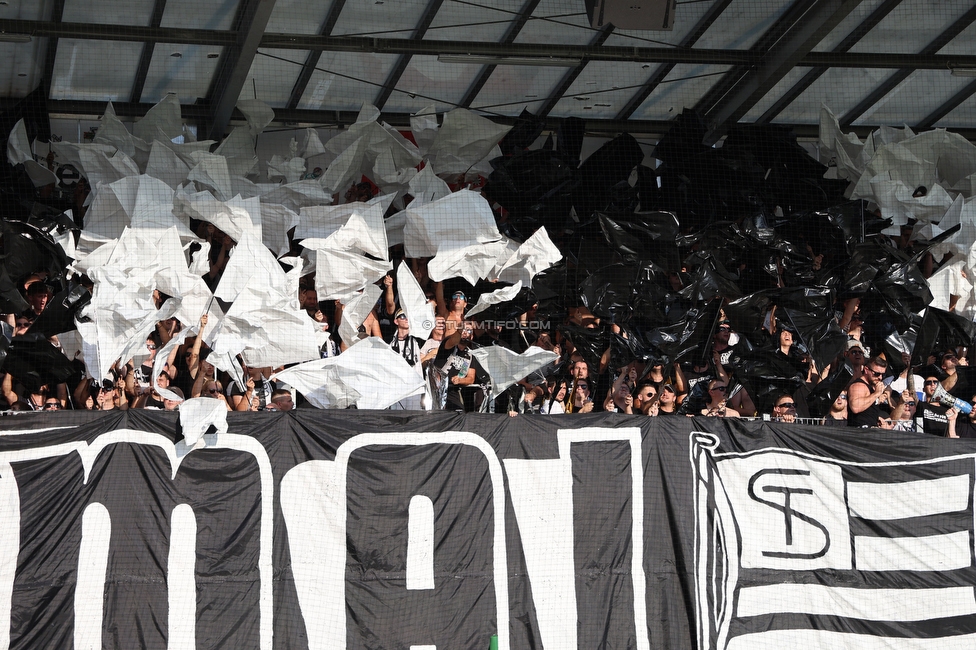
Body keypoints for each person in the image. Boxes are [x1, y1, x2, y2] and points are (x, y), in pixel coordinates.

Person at [847, 355, 891, 427]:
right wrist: (876, 394)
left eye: (883, 374)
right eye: (877, 374)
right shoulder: (858, 386)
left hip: (870, 431)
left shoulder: (872, 387)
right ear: (866, 370)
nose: (880, 377)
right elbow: (855, 407)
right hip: (858, 432)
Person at [917, 369, 950, 436]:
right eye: (928, 383)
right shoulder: (920, 406)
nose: (932, 384)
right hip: (925, 443)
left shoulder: (947, 409)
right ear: (923, 389)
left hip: (944, 443)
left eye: (936, 383)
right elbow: (912, 393)